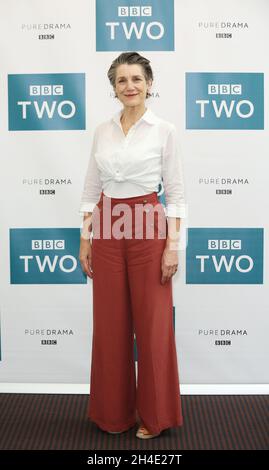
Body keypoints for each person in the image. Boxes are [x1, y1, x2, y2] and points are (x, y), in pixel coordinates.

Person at [79, 52, 187, 439]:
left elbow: (174, 192)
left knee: (154, 325)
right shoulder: (102, 131)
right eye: (122, 80)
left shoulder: (165, 130)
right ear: (113, 88)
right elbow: (92, 187)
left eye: (137, 79)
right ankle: (113, 414)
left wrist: (172, 245)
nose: (130, 87)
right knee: (110, 324)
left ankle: (155, 417)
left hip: (147, 223)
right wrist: (85, 236)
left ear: (149, 84)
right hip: (107, 225)